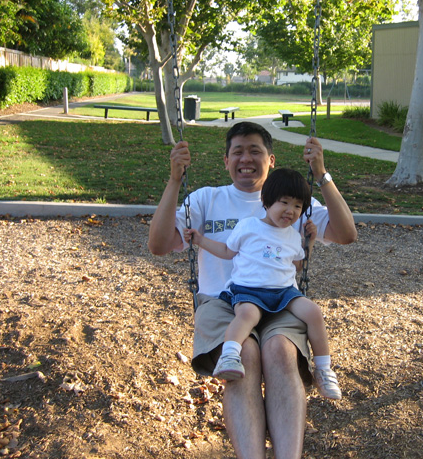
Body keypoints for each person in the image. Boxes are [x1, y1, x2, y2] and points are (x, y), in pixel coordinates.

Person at [148, 121, 357, 459]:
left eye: (255, 150)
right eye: (238, 151)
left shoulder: (291, 201)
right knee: (243, 355)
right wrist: (174, 181)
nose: (246, 158)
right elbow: (158, 245)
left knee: (280, 351)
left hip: (280, 301)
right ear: (226, 161)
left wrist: (322, 175)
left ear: (271, 160)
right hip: (222, 302)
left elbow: (347, 233)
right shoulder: (207, 199)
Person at [183, 168, 341, 400]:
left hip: (284, 292)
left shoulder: (293, 235)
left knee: (313, 312)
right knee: (247, 315)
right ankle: (229, 355)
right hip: (248, 290)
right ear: (266, 202)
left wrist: (311, 242)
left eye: (298, 206)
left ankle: (323, 369)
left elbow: (298, 265)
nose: (290, 211)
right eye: (284, 202)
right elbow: (227, 251)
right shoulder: (249, 226)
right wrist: (200, 240)